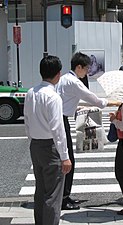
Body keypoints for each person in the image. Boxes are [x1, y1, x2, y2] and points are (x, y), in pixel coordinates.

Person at [56, 52, 119, 210]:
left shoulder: (64, 79)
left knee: (65, 160)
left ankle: (64, 195)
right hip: (61, 122)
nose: (87, 72)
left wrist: (79, 108)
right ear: (78, 67)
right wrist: (113, 103)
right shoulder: (73, 82)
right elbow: (94, 99)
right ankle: (63, 199)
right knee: (68, 160)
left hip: (60, 119)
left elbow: (66, 103)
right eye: (86, 69)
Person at [24, 55, 72, 225]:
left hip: (35, 145)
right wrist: (65, 156)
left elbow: (27, 121)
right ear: (58, 74)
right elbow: (58, 129)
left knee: (41, 190)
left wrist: (32, 140)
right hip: (51, 147)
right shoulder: (53, 97)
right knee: (53, 195)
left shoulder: (31, 92)